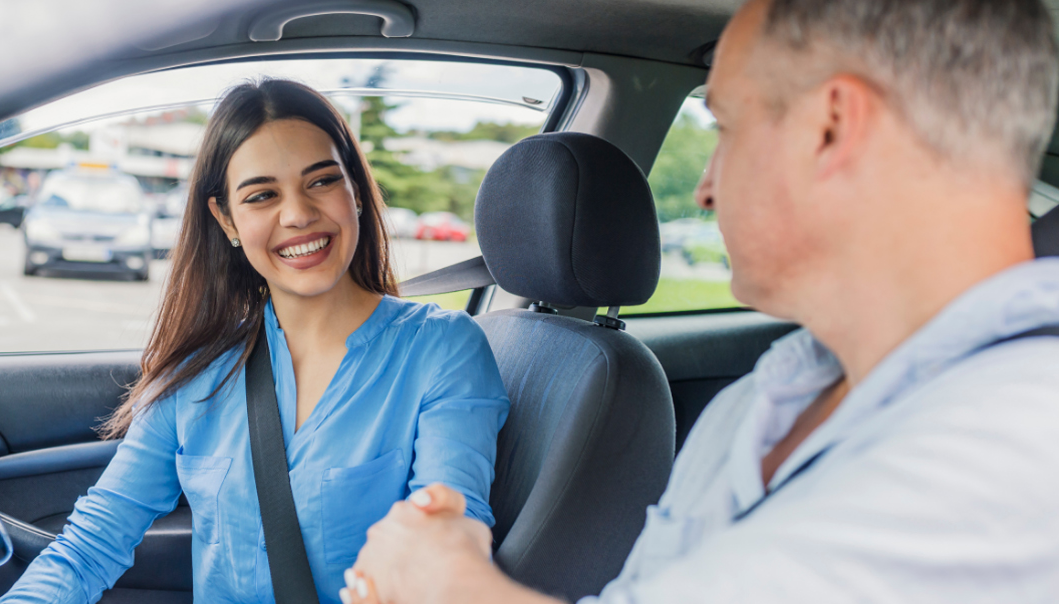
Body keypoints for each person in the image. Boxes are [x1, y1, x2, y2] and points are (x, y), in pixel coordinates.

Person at [343, 0, 1059, 602]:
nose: (707, 187)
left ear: (832, 126)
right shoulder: (770, 396)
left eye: (728, 127)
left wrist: (445, 578)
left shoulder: (1023, 431)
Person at [0, 79, 510, 603]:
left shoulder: (442, 350)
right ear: (226, 219)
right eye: (262, 195)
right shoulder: (195, 375)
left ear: (354, 190)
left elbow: (452, 529)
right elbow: (90, 545)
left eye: (322, 181)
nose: (297, 214)